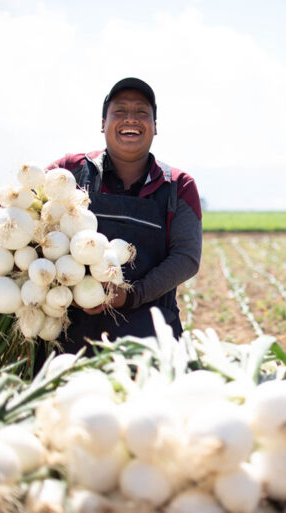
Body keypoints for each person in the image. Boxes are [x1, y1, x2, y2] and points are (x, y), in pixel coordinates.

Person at [46, 77, 202, 356]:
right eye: (120, 111)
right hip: (67, 340)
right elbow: (29, 217)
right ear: (103, 123)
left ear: (155, 126)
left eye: (142, 112)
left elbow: (186, 257)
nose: (131, 118)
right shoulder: (68, 172)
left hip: (150, 341)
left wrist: (131, 295)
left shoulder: (178, 186)